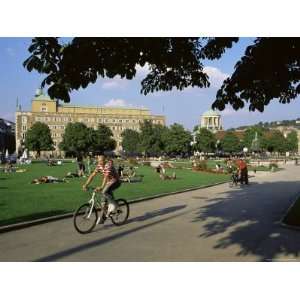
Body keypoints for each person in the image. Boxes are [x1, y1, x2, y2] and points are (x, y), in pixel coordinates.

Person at [82, 155, 121, 223]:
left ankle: (115, 205)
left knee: (104, 192)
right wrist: (86, 184)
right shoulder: (99, 165)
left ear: (104, 160)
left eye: (101, 161)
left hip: (116, 181)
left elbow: (106, 177)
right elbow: (92, 175)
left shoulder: (108, 165)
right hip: (109, 182)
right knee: (103, 202)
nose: (100, 162)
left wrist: (101, 187)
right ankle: (104, 217)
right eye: (99, 161)